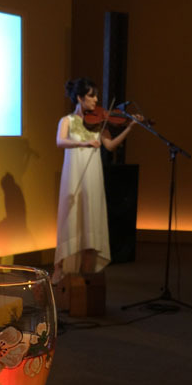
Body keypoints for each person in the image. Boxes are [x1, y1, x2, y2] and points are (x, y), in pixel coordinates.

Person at [52, 77, 141, 285]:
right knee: (70, 219)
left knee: (90, 219)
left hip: (93, 177)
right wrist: (84, 143)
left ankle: (86, 275)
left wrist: (130, 128)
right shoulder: (67, 121)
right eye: (91, 96)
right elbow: (60, 141)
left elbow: (110, 146)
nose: (96, 100)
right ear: (80, 98)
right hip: (73, 175)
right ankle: (60, 269)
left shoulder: (99, 123)